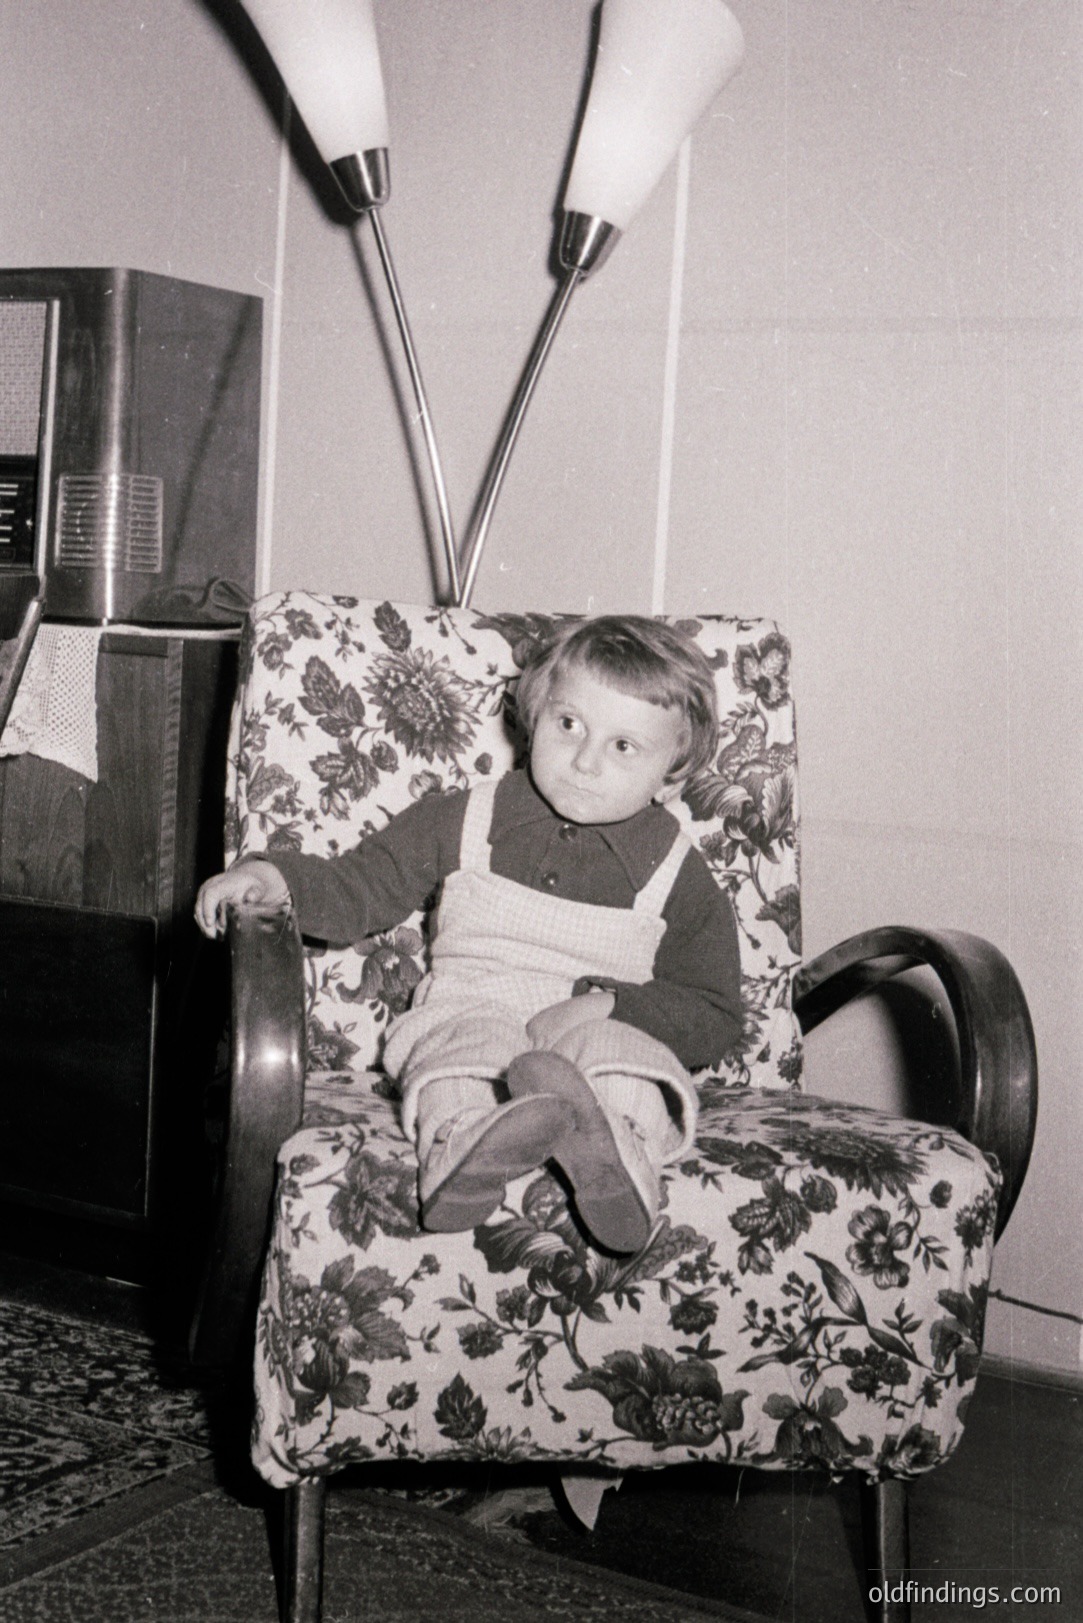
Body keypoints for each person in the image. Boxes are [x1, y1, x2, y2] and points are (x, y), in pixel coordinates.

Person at [195, 616, 742, 1253]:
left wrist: (609, 1004)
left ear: (672, 773)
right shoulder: (464, 817)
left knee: (624, 1062)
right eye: (569, 725)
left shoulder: (680, 873)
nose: (585, 762)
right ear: (535, 716)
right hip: (470, 1006)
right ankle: (464, 1144)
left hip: (592, 1032)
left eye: (624, 746)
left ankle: (617, 1157)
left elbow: (714, 1012)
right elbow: (362, 886)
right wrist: (276, 877)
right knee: (458, 1043)